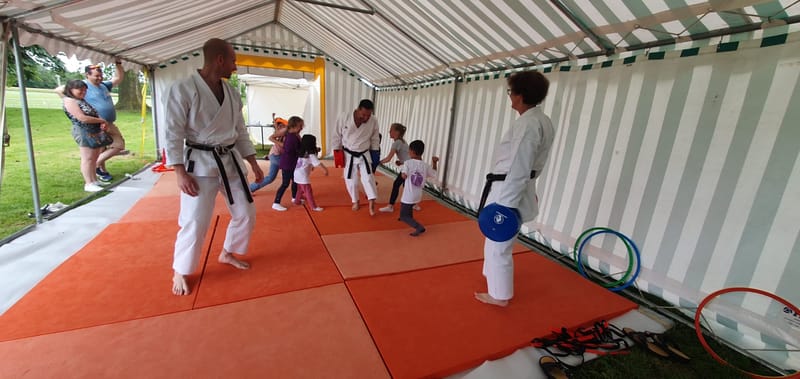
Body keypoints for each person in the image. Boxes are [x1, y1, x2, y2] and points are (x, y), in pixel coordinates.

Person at [163, 38, 265, 296]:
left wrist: (253, 161)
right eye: (233, 61)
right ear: (220, 59)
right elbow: (173, 132)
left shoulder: (231, 92)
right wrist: (179, 172)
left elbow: (239, 130)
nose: (235, 67)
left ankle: (227, 252)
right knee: (195, 220)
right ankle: (181, 269)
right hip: (200, 164)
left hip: (230, 160)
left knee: (246, 213)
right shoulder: (183, 89)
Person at [474, 71, 555, 307]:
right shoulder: (540, 120)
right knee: (494, 241)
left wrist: (505, 207)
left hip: (509, 190)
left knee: (500, 245)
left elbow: (520, 165)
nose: (510, 97)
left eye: (511, 92)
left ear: (519, 95)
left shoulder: (529, 123)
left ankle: (500, 295)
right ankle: (493, 279)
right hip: (513, 185)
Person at [58, 60, 127, 182]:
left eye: (101, 75)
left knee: (115, 145)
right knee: (103, 148)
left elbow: (118, 78)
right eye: (96, 76)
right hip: (94, 125)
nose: (99, 78)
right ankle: (98, 170)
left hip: (107, 123)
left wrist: (118, 64)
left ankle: (98, 167)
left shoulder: (104, 85)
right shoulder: (82, 86)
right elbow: (59, 89)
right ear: (87, 75)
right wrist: (73, 101)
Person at [330, 99, 381, 215]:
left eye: (369, 115)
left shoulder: (373, 120)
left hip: (364, 153)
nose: (366, 118)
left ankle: (372, 202)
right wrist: (337, 151)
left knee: (368, 178)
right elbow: (336, 135)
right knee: (351, 180)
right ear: (358, 110)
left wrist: (375, 153)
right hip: (348, 154)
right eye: (363, 115)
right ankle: (355, 201)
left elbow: (375, 138)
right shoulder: (344, 117)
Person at [61, 79, 112, 192]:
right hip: (83, 130)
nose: (83, 92)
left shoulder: (81, 100)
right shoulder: (70, 101)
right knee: (87, 158)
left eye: (85, 90)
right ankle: (88, 183)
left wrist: (101, 122)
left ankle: (94, 180)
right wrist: (101, 120)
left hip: (94, 130)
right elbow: (82, 117)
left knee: (94, 158)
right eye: (80, 90)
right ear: (71, 89)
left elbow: (93, 112)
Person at [396, 140, 438, 236]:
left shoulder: (408, 163)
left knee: (404, 215)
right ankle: (407, 216)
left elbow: (404, 176)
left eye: (409, 151)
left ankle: (418, 226)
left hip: (409, 194)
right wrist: (434, 162)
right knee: (408, 206)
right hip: (418, 194)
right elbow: (434, 174)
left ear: (412, 151)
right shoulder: (425, 165)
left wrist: (402, 170)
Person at [271, 116, 304, 211]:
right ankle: (276, 202)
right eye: (300, 126)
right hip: (287, 164)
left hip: (292, 163)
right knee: (285, 184)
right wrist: (302, 152)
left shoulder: (294, 136)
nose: (301, 128)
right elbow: (291, 150)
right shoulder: (291, 137)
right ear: (294, 126)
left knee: (295, 180)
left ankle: (294, 197)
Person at [249, 117, 288, 193]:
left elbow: (276, 128)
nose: (283, 127)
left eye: (283, 125)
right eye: (281, 125)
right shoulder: (280, 132)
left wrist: (274, 120)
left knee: (270, 178)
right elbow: (275, 132)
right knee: (291, 170)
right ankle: (298, 190)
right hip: (276, 156)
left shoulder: (282, 132)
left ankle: (250, 189)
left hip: (274, 155)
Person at [378, 123, 410, 213]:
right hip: (409, 166)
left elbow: (388, 158)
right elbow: (407, 156)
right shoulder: (402, 141)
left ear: (397, 132)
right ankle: (413, 204)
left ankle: (391, 206)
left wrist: (378, 162)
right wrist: (401, 162)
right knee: (406, 186)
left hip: (408, 167)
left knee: (397, 184)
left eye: (391, 130)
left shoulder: (397, 143)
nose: (389, 132)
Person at [293, 134, 329, 211]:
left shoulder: (302, 152)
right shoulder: (311, 154)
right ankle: (313, 207)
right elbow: (318, 163)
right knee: (308, 191)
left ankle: (296, 201)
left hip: (296, 174)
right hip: (302, 176)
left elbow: (309, 162)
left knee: (300, 189)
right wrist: (325, 170)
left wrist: (311, 166)